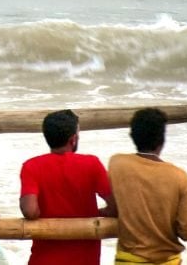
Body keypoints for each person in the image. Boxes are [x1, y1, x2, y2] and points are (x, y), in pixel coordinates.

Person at [19, 109, 115, 265]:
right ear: (73, 139)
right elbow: (115, 207)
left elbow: (30, 211)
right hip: (85, 260)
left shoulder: (31, 166)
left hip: (44, 260)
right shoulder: (91, 164)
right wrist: (95, 213)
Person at [108, 108, 187, 265]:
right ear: (162, 140)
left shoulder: (117, 164)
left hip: (128, 261)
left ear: (133, 136)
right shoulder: (180, 177)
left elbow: (114, 206)